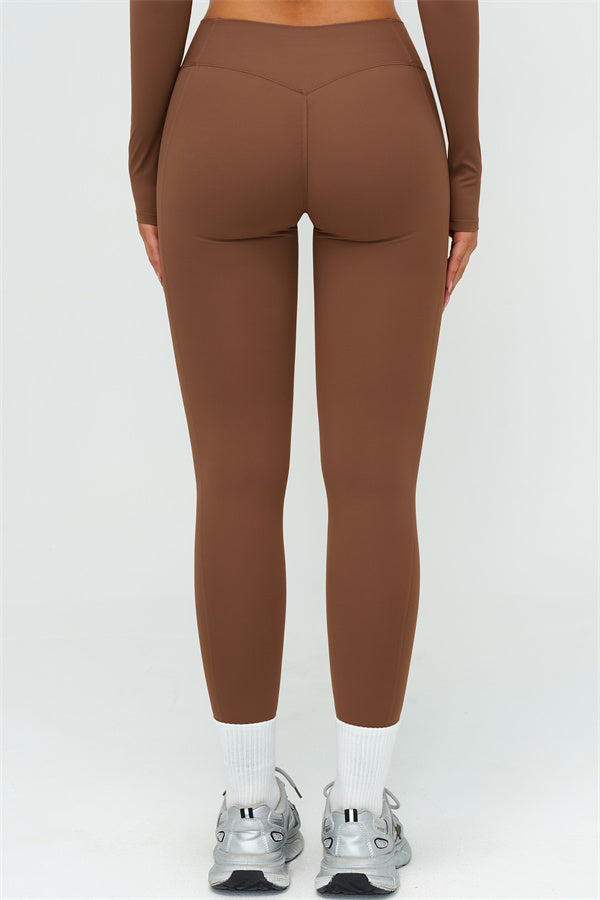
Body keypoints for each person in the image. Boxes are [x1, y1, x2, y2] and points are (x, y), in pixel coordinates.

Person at [128, 0, 481, 893]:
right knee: (375, 485)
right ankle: (360, 822)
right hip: (379, 106)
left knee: (234, 481)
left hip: (221, 110)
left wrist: (147, 165)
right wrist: (464, 171)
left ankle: (250, 817)